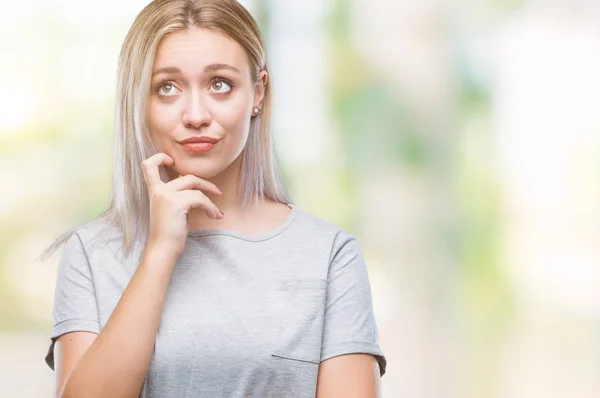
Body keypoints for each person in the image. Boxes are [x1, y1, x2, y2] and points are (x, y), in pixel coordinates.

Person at [40, 0, 387, 397]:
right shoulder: (92, 253)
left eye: (219, 83)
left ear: (258, 92)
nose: (195, 114)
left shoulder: (328, 255)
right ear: (140, 100)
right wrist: (159, 252)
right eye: (166, 87)